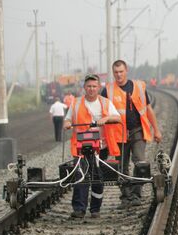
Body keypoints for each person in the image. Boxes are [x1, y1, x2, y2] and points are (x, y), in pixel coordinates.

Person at [102, 60, 162, 209]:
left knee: (140, 162)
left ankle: (136, 194)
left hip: (137, 130)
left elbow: (148, 110)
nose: (119, 75)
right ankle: (126, 197)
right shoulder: (107, 90)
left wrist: (157, 130)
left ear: (126, 70)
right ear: (113, 72)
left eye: (121, 72)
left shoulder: (139, 87)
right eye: (116, 72)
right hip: (118, 134)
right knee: (121, 167)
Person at [64, 74, 121, 219]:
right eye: (89, 86)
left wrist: (106, 118)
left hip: (100, 147)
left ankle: (95, 209)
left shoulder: (105, 103)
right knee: (80, 176)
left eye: (94, 86)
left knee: (97, 177)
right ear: (84, 87)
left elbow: (118, 118)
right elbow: (67, 120)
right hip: (80, 148)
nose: (91, 89)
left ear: (98, 87)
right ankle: (79, 209)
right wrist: (67, 124)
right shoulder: (76, 103)